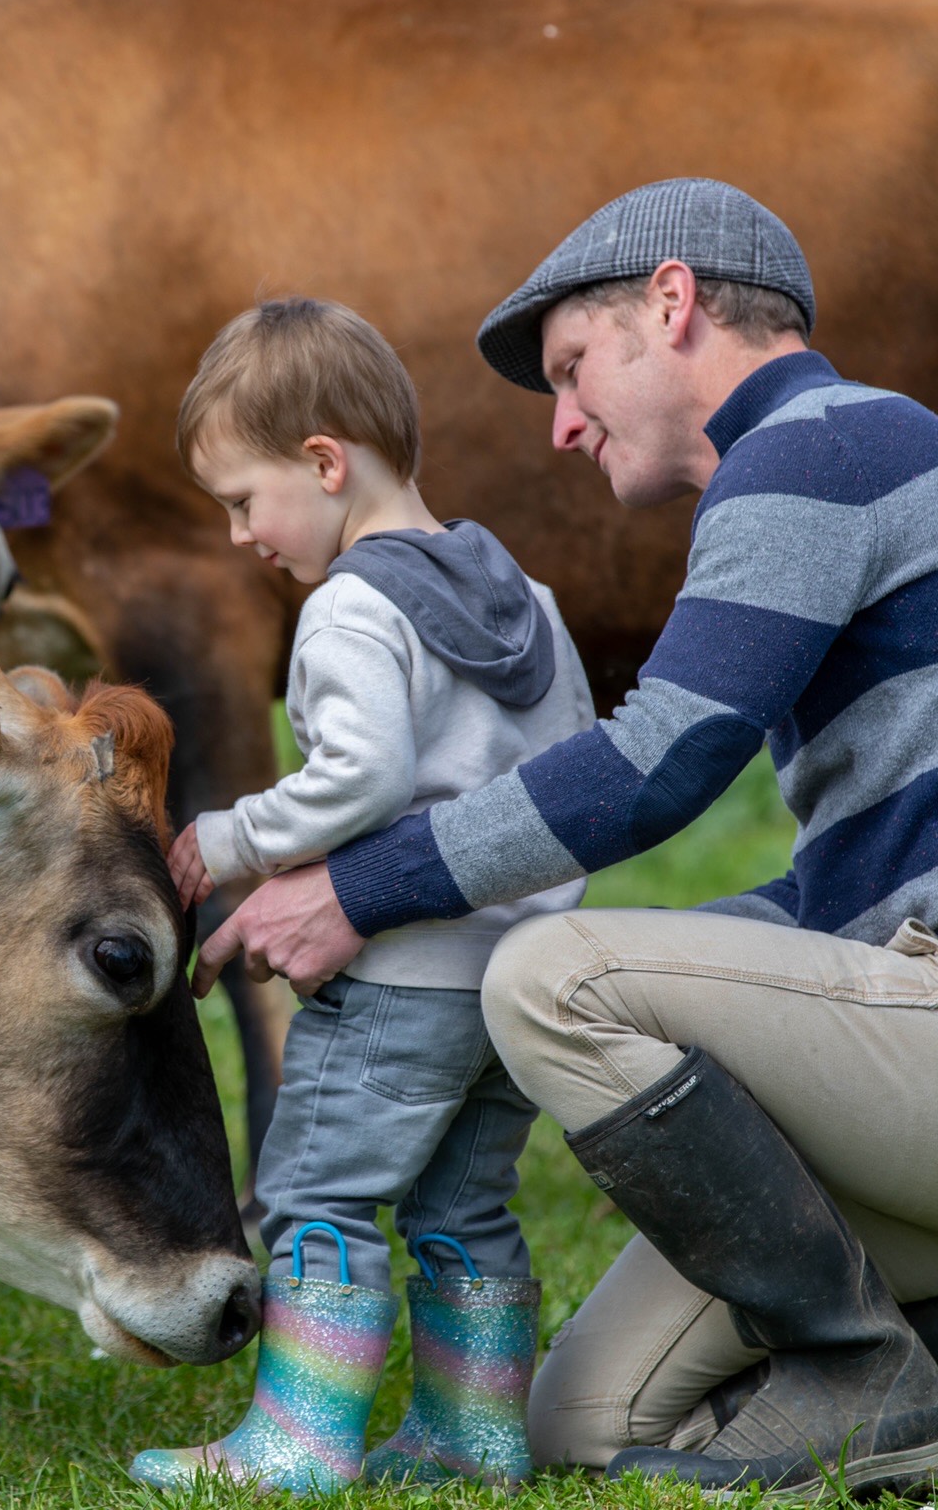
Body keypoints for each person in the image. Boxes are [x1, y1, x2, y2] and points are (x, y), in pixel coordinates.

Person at [199, 179, 938, 1497]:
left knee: (549, 980)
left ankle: (862, 1375)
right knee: (582, 1419)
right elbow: (851, 875)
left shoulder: (811, 452)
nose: (560, 427)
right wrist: (669, 1056)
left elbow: (656, 764)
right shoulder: (843, 454)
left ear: (671, 304)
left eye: (572, 370)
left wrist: (361, 888)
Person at [128, 299, 598, 1493]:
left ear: (326, 464)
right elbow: (574, 779)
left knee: (316, 1195)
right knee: (465, 1206)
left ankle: (296, 1443)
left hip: (394, 979)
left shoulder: (349, 607)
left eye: (243, 500)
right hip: (512, 984)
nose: (240, 534)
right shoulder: (527, 600)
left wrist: (231, 837)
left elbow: (363, 774)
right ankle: (472, 1433)